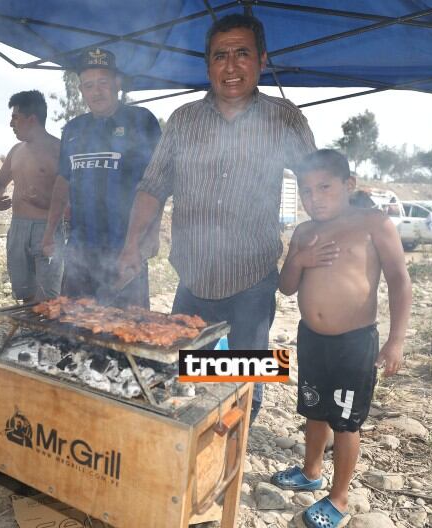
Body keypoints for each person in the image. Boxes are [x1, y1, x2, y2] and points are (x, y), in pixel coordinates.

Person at [115, 14, 316, 420]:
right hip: (192, 278)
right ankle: (191, 440)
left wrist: (338, 232)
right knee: (185, 377)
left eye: (242, 53)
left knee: (245, 382)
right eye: (220, 56)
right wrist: (131, 246)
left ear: (262, 59)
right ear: (207, 65)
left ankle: (234, 444)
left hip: (253, 279)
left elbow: (316, 181)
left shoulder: (285, 117)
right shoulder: (184, 119)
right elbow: (152, 186)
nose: (231, 66)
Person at [269, 149, 412, 528]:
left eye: (324, 187)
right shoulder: (304, 232)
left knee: (346, 422)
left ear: (349, 184)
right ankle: (311, 471)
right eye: (306, 190)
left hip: (354, 343)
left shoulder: (373, 224)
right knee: (314, 409)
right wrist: (299, 260)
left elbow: (399, 280)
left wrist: (396, 340)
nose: (314, 198)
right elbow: (286, 287)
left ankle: (339, 497)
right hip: (311, 338)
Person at [41, 47, 162, 308]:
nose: (96, 92)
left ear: (117, 83)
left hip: (125, 249)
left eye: (103, 83)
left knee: (127, 325)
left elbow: (158, 181)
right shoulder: (73, 129)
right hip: (79, 250)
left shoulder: (141, 121)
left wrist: (152, 233)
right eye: (89, 85)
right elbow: (63, 181)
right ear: (81, 90)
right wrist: (49, 231)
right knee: (72, 320)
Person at [0, 90, 65, 302]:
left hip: (48, 228)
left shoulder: (59, 150)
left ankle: (47, 324)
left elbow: (73, 197)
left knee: (48, 297)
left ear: (31, 119)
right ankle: (28, 323)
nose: (11, 124)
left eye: (15, 117)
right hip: (18, 228)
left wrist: (43, 202)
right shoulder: (16, 151)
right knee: (24, 293)